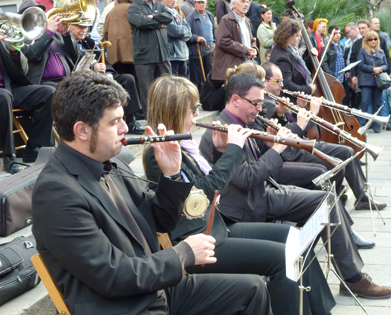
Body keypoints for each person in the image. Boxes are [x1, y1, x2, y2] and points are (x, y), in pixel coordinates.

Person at [32, 70, 272, 315]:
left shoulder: (112, 163)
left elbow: (161, 221)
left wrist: (171, 175)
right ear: (82, 130)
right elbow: (113, 276)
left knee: (252, 289)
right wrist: (184, 252)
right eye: (115, 122)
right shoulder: (56, 193)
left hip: (154, 290)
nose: (126, 128)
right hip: (125, 307)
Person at [144, 75, 335, 315]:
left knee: (294, 238)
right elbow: (205, 194)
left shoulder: (185, 146)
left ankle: (319, 311)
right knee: (282, 258)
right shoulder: (159, 152)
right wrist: (234, 150)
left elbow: (212, 186)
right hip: (198, 240)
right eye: (192, 109)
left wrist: (223, 151)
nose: (196, 115)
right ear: (173, 110)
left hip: (216, 227)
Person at [199, 72, 391, 299]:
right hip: (248, 204)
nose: (260, 109)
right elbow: (247, 179)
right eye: (256, 103)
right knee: (324, 199)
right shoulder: (221, 130)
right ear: (235, 100)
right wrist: (276, 149)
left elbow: (256, 160)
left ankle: (344, 270)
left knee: (324, 196)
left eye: (261, 103)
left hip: (262, 191)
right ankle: (352, 278)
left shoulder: (239, 121)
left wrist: (273, 139)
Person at [262, 61, 387, 217]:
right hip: (293, 151)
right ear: (265, 81)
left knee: (347, 151)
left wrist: (302, 109)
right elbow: (292, 133)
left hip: (298, 146)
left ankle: (357, 196)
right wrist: (312, 113)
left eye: (282, 80)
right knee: (338, 160)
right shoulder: (265, 104)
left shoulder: (274, 99)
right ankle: (338, 202)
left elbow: (293, 127)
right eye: (278, 81)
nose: (282, 85)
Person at [69, 17, 145, 135]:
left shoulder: (88, 41)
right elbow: (73, 65)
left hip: (100, 77)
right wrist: (92, 68)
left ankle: (130, 121)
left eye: (86, 27)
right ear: (71, 27)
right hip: (83, 79)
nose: (84, 30)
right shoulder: (68, 42)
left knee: (127, 79)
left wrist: (109, 73)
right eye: (81, 27)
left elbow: (105, 60)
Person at [0, 28, 54, 172]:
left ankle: (34, 149)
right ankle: (9, 158)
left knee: (47, 92)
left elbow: (23, 69)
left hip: (8, 88)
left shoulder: (3, 40)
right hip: (3, 94)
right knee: (4, 96)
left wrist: (14, 50)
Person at [127, 0, 173, 119]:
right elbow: (141, 22)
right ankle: (152, 123)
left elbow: (169, 17)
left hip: (162, 54)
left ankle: (169, 118)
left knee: (167, 88)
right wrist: (159, 23)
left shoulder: (160, 5)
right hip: (144, 56)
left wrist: (154, 16)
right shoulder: (134, 7)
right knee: (148, 92)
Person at [270, 19, 317, 103]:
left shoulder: (290, 50)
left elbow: (297, 68)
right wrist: (308, 89)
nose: (299, 39)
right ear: (288, 35)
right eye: (297, 36)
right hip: (290, 102)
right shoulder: (282, 57)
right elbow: (286, 85)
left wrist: (311, 57)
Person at [211, 0, 258, 81]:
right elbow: (223, 41)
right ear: (234, 4)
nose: (246, 4)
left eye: (247, 2)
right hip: (233, 67)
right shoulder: (226, 19)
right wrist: (245, 50)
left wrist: (254, 49)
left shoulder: (246, 20)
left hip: (247, 65)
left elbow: (251, 40)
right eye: (243, 1)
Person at [356, 31, 388, 133]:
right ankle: (361, 125)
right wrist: (373, 69)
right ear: (366, 41)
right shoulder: (362, 51)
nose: (373, 41)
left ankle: (376, 126)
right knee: (364, 103)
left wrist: (380, 68)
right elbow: (360, 65)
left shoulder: (380, 51)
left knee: (377, 104)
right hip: (366, 81)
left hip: (378, 81)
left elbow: (386, 65)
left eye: (375, 39)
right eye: (370, 39)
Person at [186, 0, 216, 92]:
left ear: (206, 4)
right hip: (197, 50)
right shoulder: (190, 17)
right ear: (195, 4)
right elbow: (186, 34)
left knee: (211, 75)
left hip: (211, 49)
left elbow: (214, 31)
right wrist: (196, 38)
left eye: (202, 2)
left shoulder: (210, 15)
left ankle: (210, 96)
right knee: (197, 77)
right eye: (198, 2)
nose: (201, 4)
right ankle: (198, 97)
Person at [164, 0, 191, 77]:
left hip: (183, 55)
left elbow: (189, 32)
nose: (174, 0)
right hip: (172, 56)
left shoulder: (176, 13)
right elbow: (174, 31)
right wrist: (183, 31)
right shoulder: (163, 13)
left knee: (183, 83)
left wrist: (180, 32)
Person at [343, 22, 362, 108]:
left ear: (354, 29)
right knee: (352, 94)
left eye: (348, 32)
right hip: (349, 71)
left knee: (359, 95)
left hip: (358, 71)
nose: (347, 35)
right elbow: (346, 57)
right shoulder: (347, 42)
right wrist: (347, 71)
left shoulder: (361, 40)